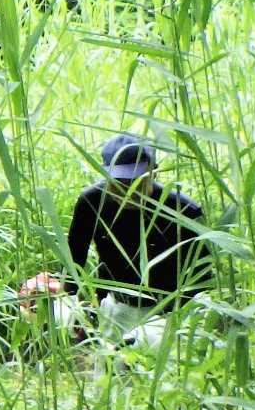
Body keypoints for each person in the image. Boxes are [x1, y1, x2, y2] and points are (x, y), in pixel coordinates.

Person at [39, 133, 212, 347]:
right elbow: (74, 260)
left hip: (168, 316)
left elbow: (203, 278)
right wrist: (68, 303)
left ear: (152, 172)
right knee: (110, 374)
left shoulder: (182, 210)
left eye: (135, 182)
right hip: (116, 308)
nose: (126, 190)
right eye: (118, 181)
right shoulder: (92, 201)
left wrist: (163, 326)